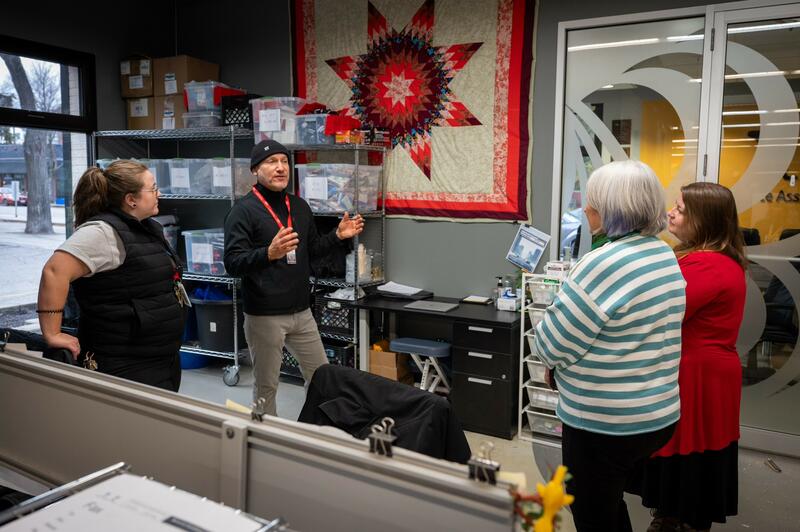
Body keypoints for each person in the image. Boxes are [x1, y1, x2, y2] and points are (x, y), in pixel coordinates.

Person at [532, 160, 686, 532]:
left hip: (606, 423)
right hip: (656, 413)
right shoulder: (662, 253)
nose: (585, 209)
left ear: (616, 209)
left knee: (591, 510)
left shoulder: (602, 262)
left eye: (594, 203)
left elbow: (550, 345)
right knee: (606, 499)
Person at [223, 139, 364, 415]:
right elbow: (232, 263)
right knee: (266, 387)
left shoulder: (298, 206)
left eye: (284, 162)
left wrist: (336, 236)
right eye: (271, 162)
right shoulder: (242, 211)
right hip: (264, 316)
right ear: (255, 170)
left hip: (302, 312)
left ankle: (317, 431)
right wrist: (269, 253)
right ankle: (266, 443)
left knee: (322, 377)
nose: (280, 168)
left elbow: (311, 251)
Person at [635, 182, 746, 532]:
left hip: (699, 374)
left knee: (690, 455)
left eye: (681, 209)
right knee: (697, 453)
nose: (671, 211)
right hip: (707, 371)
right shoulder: (711, 257)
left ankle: (677, 519)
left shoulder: (707, 265)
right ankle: (676, 516)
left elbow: (663, 310)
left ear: (704, 219)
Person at [37, 160, 187, 391]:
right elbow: (55, 271)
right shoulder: (103, 233)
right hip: (123, 365)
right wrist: (53, 333)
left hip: (157, 360)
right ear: (131, 199)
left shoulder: (146, 226)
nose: (159, 193)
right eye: (153, 188)